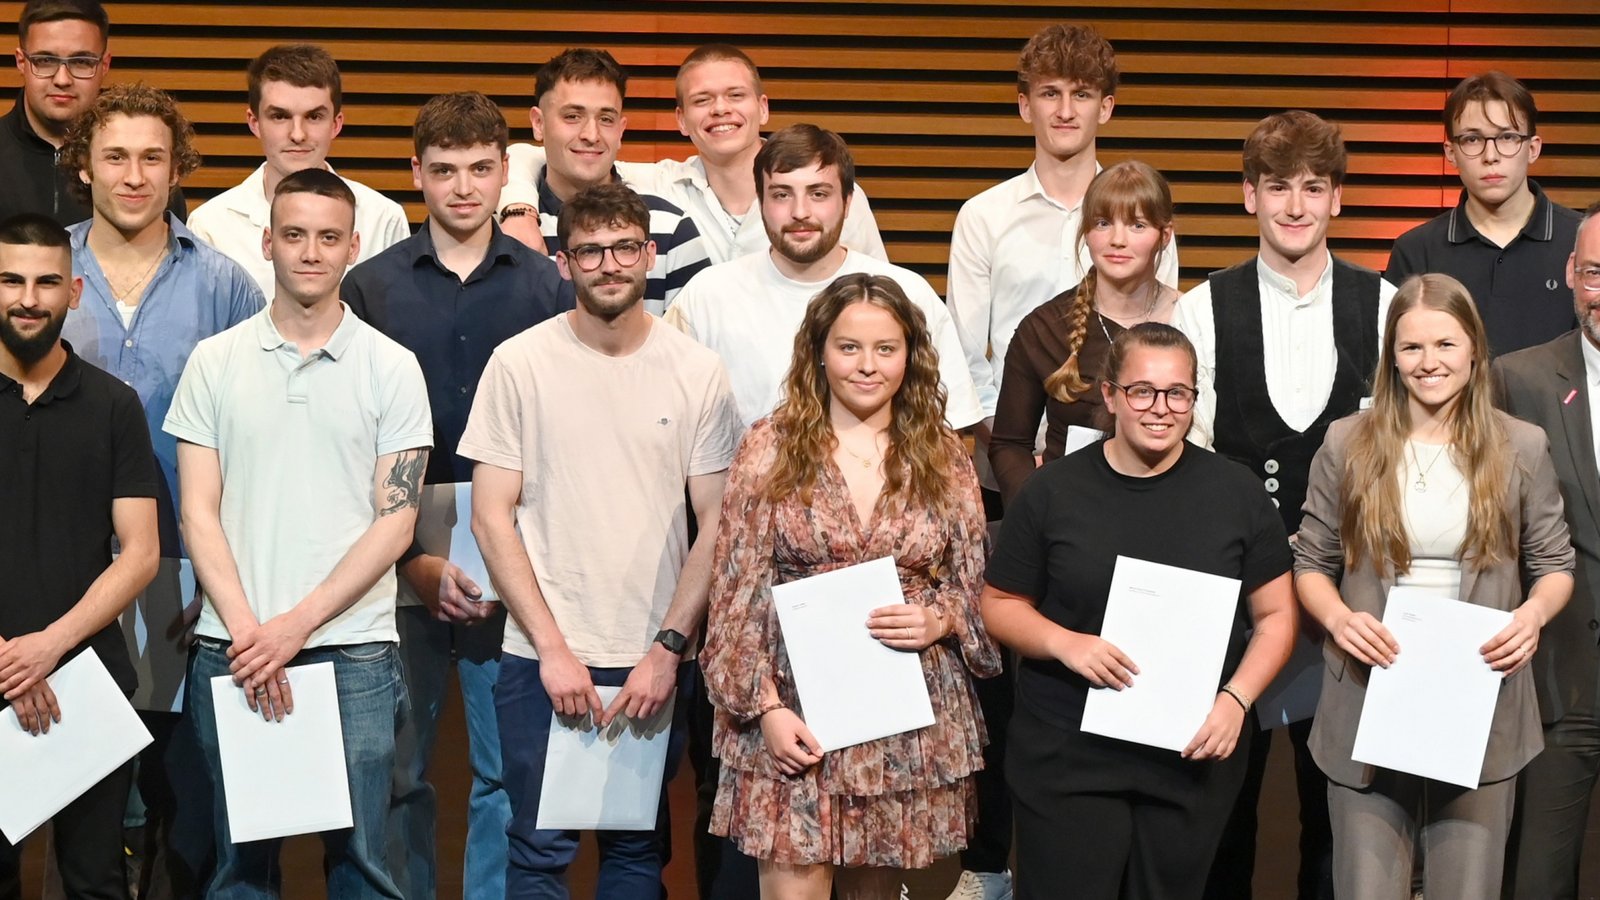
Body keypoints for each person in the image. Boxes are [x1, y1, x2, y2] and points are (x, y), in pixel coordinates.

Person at [460, 182, 741, 897]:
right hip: (539, 658)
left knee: (636, 857)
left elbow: (718, 521)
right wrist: (553, 649)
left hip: (649, 660)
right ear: (563, 262)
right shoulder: (519, 363)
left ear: (649, 255)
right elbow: (491, 516)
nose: (609, 264)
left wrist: (667, 650)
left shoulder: (697, 371)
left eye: (624, 248)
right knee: (535, 858)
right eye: (590, 250)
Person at [165, 168, 432, 898]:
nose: (309, 252)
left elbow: (397, 519)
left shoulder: (393, 367)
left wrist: (296, 627)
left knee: (366, 866)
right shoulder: (214, 362)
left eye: (326, 237)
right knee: (240, 868)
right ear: (268, 243)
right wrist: (255, 633)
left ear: (351, 247)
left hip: (352, 652)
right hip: (234, 647)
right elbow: (198, 513)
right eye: (293, 235)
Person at [700, 271, 999, 899]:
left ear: (910, 356)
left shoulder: (942, 454)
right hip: (792, 712)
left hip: (902, 714)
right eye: (849, 347)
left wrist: (941, 619)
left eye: (885, 349)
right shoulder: (770, 447)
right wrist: (766, 711)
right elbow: (735, 594)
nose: (867, 366)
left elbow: (975, 587)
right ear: (819, 352)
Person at [342, 90, 571, 900]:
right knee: (396, 767)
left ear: (505, 170)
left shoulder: (550, 286)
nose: (463, 187)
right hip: (393, 540)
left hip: (511, 540)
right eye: (443, 171)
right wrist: (413, 562)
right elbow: (351, 442)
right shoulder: (370, 286)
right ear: (417, 175)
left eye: (480, 169)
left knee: (501, 766)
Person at [980, 322, 1296, 900]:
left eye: (1178, 393)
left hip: (1189, 753)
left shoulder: (1237, 493)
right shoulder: (1053, 491)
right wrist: (1066, 643)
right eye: (1142, 391)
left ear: (1195, 399)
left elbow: (1277, 617)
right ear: (1110, 396)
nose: (1161, 408)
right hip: (1068, 752)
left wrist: (1237, 699)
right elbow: (999, 605)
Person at [1171, 109, 1396, 900]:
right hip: (1233, 602)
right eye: (1277, 188)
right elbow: (1184, 460)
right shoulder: (1201, 308)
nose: (1295, 206)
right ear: (1248, 197)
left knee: (1338, 813)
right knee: (1219, 808)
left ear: (1337, 197)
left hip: (1351, 604)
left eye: (1312, 187)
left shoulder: (1386, 304)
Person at [1294, 273, 1574, 899]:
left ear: (1474, 349)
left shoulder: (1520, 446)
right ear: (1391, 355)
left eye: (1445, 345)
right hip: (1369, 694)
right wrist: (1339, 619)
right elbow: (1310, 563)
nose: (1429, 363)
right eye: (1412, 347)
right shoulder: (1348, 441)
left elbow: (1555, 564)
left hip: (1477, 698)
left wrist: (1529, 617)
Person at [56, 79, 262, 899]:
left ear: (178, 169)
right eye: (115, 157)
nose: (134, 175)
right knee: (86, 810)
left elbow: (256, 441)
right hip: (66, 573)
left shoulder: (226, 283)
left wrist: (225, 578)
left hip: (190, 573)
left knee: (191, 803)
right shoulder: (40, 275)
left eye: (152, 157)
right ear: (84, 167)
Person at [0, 211, 159, 900]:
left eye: (46, 282)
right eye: (10, 280)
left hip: (85, 686)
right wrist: (12, 656)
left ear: (75, 292)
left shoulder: (114, 406)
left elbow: (142, 552)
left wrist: (48, 647)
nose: (28, 298)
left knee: (95, 882)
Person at [664, 123, 984, 431]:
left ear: (847, 204)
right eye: (781, 195)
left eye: (818, 194)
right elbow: (669, 418)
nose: (800, 212)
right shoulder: (706, 296)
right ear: (760, 204)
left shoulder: (910, 294)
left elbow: (944, 431)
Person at [500, 44, 886, 267]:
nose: (720, 110)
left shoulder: (827, 196)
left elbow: (880, 294)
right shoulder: (659, 186)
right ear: (681, 120)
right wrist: (518, 209)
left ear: (763, 108)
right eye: (703, 100)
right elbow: (533, 155)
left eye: (735, 95)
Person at [1491, 201, 1600, 899]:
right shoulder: (1518, 380)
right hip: (1558, 679)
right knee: (1536, 883)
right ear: (1571, 272)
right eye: (1596, 274)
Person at [988, 160, 1176, 505]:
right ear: (1086, 231)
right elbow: (1009, 444)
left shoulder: (1194, 320)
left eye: (1137, 225)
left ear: (1164, 235)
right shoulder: (1044, 329)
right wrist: (1037, 514)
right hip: (1070, 518)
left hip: (1170, 513)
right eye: (1103, 223)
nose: (1117, 240)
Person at [492, 47, 709, 314]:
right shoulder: (502, 230)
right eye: (572, 116)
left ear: (621, 130)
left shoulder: (672, 230)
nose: (591, 134)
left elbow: (692, 345)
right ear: (538, 123)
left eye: (606, 119)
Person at [186, 43, 410, 300]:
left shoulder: (383, 218)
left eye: (314, 117)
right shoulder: (211, 226)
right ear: (254, 123)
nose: (297, 135)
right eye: (280, 116)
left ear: (336, 124)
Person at [1385, 72, 1580, 356]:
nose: (1491, 155)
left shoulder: (1579, 241)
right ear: (1451, 153)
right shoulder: (1416, 251)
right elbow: (1395, 361)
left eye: (1507, 137)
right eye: (1473, 139)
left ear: (1533, 149)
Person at [0, 0, 186, 224]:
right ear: (21, 62)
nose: (62, 79)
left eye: (81, 61)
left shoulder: (144, 174)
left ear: (104, 65)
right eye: (45, 60)